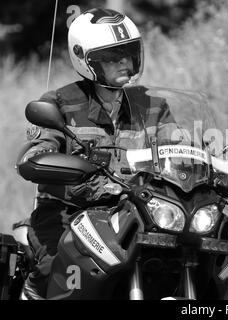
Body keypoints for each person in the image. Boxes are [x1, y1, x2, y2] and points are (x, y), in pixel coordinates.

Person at [16, 8, 177, 299]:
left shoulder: (154, 106)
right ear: (86, 59)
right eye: (112, 57)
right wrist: (48, 161)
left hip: (137, 212)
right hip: (69, 213)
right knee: (52, 266)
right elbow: (37, 154)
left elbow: (178, 152)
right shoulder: (60, 103)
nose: (124, 62)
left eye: (128, 53)